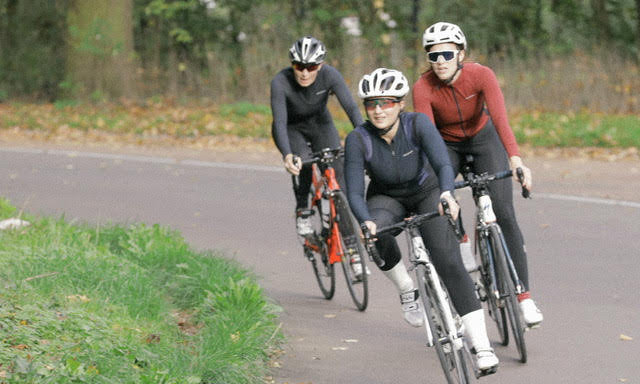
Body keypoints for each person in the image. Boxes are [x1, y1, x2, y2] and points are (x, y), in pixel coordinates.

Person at [344, 67, 499, 372]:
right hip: (385, 197)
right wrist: (366, 221)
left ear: (400, 104)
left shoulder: (418, 123)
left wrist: (446, 194)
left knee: (450, 262)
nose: (378, 110)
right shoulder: (357, 138)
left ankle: (481, 346)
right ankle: (406, 288)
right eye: (371, 104)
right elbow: (353, 191)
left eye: (386, 102)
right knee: (375, 234)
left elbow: (442, 162)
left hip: (426, 190)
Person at [413, 21, 543, 327]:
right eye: (433, 56)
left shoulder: (481, 75)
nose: (440, 62)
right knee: (440, 192)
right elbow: (428, 137)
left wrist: (516, 160)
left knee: (505, 214)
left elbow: (500, 119)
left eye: (446, 54)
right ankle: (461, 238)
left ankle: (524, 298)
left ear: (461, 53)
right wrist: (442, 186)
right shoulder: (423, 88)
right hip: (446, 144)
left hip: (484, 139)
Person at [270, 36, 364, 239]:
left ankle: (349, 241)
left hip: (320, 125)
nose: (304, 73)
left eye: (311, 67)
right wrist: (287, 155)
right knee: (302, 161)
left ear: (320, 65)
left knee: (337, 172)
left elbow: (352, 109)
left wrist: (367, 140)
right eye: (299, 66)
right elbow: (279, 121)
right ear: (292, 64)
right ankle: (303, 210)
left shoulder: (330, 75)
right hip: (291, 128)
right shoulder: (280, 81)